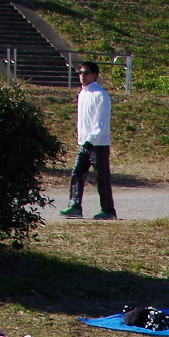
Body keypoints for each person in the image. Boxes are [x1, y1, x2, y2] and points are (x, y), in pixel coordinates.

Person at [59, 61, 115, 221]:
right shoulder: (82, 94)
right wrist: (82, 139)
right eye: (80, 72)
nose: (82, 75)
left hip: (98, 145)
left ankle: (108, 210)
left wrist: (91, 139)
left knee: (101, 178)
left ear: (95, 75)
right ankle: (75, 206)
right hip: (84, 144)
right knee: (77, 173)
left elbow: (101, 122)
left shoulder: (100, 95)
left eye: (87, 72)